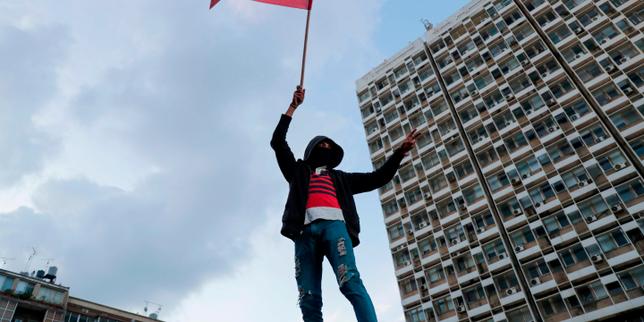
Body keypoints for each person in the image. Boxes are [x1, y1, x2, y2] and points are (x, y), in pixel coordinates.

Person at [270, 86, 421, 322]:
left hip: (335, 229)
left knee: (350, 281)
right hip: (304, 232)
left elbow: (377, 177)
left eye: (329, 148)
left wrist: (399, 154)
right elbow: (278, 142)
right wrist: (293, 107)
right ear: (312, 152)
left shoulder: (341, 178)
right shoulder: (298, 171)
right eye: (322, 147)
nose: (326, 150)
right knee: (308, 297)